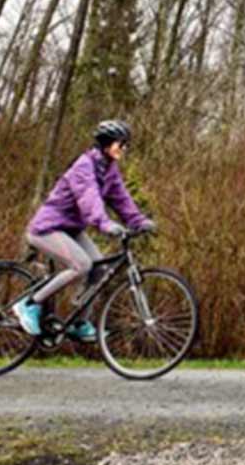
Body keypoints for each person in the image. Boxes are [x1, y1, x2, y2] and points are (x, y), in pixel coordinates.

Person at [13, 119, 154, 339]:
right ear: (106, 143)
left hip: (71, 229)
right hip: (47, 228)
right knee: (81, 265)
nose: (124, 148)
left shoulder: (109, 169)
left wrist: (137, 220)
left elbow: (121, 198)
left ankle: (79, 321)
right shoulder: (84, 166)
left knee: (99, 269)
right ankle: (29, 304)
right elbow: (88, 198)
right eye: (121, 143)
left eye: (126, 144)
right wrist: (104, 223)